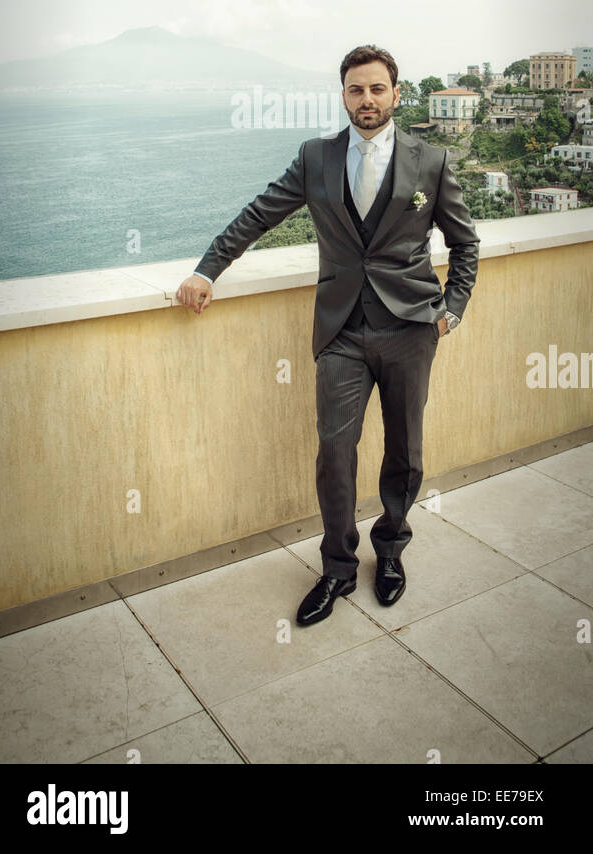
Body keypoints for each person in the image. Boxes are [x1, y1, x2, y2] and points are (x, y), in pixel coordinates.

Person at [176, 44, 480, 626]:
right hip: (341, 329)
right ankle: (338, 568)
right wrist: (206, 268)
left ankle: (390, 550)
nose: (366, 99)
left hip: (411, 329)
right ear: (343, 95)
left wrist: (453, 309)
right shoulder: (315, 157)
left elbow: (464, 244)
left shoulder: (431, 161)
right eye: (355, 90)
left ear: (396, 92)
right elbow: (259, 214)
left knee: (405, 451)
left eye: (376, 89)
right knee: (334, 454)